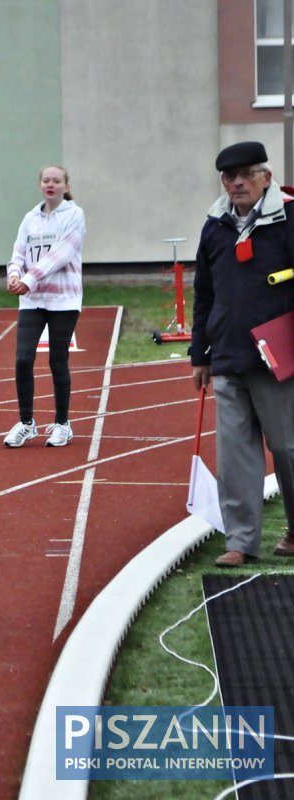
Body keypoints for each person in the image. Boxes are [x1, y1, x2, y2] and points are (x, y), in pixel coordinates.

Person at [190, 140, 294, 567]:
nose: (237, 182)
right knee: (235, 454)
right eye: (229, 177)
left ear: (265, 177)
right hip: (229, 355)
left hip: (278, 359)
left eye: (247, 174)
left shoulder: (287, 220)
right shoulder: (214, 227)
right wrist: (200, 352)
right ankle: (241, 540)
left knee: (287, 447)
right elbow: (204, 293)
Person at [3, 165, 86, 448]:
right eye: (46, 180)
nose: (51, 184)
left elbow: (60, 255)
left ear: (65, 185)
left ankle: (62, 424)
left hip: (63, 299)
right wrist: (14, 274)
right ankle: (27, 422)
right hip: (32, 300)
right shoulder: (30, 219)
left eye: (57, 180)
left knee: (57, 359)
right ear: (40, 185)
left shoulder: (74, 215)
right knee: (23, 358)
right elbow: (18, 252)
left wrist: (28, 278)